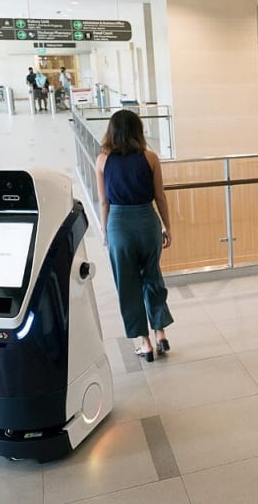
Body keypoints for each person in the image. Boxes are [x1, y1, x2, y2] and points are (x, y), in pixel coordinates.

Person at [95, 110, 174, 363]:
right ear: (138, 131)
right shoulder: (150, 158)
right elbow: (160, 196)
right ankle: (161, 333)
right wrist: (167, 227)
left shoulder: (102, 161)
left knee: (127, 286)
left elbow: (104, 202)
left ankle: (145, 343)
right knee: (153, 277)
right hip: (147, 222)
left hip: (119, 225)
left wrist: (104, 229)